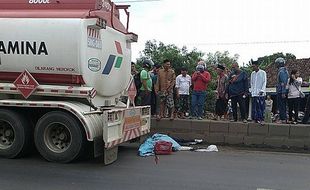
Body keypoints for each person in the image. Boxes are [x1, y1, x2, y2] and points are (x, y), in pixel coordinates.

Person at [249, 60, 267, 124]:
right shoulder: (252, 73)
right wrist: (251, 91)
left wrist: (262, 90)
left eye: (253, 66)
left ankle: (261, 119)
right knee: (254, 107)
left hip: (260, 93)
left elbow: (264, 82)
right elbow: (251, 83)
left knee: (260, 107)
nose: (253, 68)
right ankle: (255, 119)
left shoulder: (263, 72)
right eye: (252, 66)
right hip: (254, 93)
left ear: (257, 66)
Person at [275, 57, 289, 124]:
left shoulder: (282, 71)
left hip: (281, 91)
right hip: (281, 91)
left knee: (281, 106)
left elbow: (283, 83)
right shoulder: (284, 71)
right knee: (283, 105)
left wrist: (283, 92)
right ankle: (283, 118)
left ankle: (282, 119)